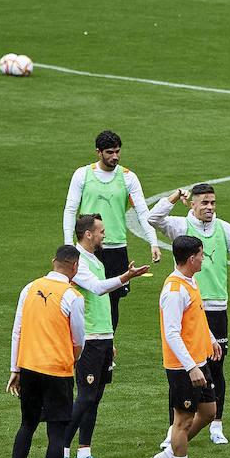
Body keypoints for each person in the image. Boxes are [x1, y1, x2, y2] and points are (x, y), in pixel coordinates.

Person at [148, 183, 230, 445]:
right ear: (192, 204)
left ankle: (216, 424)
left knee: (216, 367)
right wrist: (174, 195)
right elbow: (152, 217)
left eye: (213, 203)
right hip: (189, 308)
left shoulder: (224, 228)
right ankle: (175, 428)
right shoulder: (180, 226)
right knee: (183, 369)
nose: (210, 208)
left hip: (217, 309)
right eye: (204, 202)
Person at [60, 214, 150, 458]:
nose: (104, 236)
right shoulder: (78, 262)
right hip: (88, 339)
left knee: (95, 397)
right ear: (88, 234)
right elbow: (98, 289)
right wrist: (126, 277)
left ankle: (84, 453)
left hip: (103, 337)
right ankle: (61, 452)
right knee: (85, 396)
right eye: (100, 231)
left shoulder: (93, 260)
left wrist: (110, 337)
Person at [0, 245, 85, 458]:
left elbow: (17, 330)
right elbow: (79, 339)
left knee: (27, 423)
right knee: (56, 433)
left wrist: (16, 369)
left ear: (53, 262)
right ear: (75, 267)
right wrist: (72, 358)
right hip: (57, 371)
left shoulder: (29, 288)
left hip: (30, 368)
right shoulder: (72, 296)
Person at [62, 130, 163, 331]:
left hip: (116, 248)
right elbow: (70, 209)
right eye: (110, 152)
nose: (115, 156)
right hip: (88, 249)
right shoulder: (82, 174)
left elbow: (143, 213)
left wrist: (153, 242)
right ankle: (83, 346)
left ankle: (107, 351)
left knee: (113, 300)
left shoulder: (128, 177)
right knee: (84, 296)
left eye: (117, 152)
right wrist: (68, 245)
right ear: (98, 152)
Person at [151, 235, 225, 458]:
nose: (204, 258)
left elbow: (197, 317)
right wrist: (190, 367)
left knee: (208, 411)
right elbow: (172, 333)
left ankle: (168, 455)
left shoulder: (190, 281)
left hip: (198, 360)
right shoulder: (174, 291)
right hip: (183, 366)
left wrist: (211, 339)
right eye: (202, 255)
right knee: (182, 421)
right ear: (192, 258)